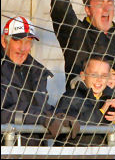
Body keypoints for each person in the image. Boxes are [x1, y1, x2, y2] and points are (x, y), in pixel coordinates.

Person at [1, 16, 78, 146]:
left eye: (28, 42)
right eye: (18, 41)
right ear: (4, 41)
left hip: (35, 150)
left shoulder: (36, 72)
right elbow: (4, 113)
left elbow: (41, 107)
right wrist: (42, 118)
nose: (23, 48)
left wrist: (60, 116)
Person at [54, 55, 115, 146]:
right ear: (83, 76)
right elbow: (69, 125)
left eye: (104, 75)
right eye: (94, 75)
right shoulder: (70, 97)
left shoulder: (113, 97)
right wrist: (101, 112)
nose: (99, 80)